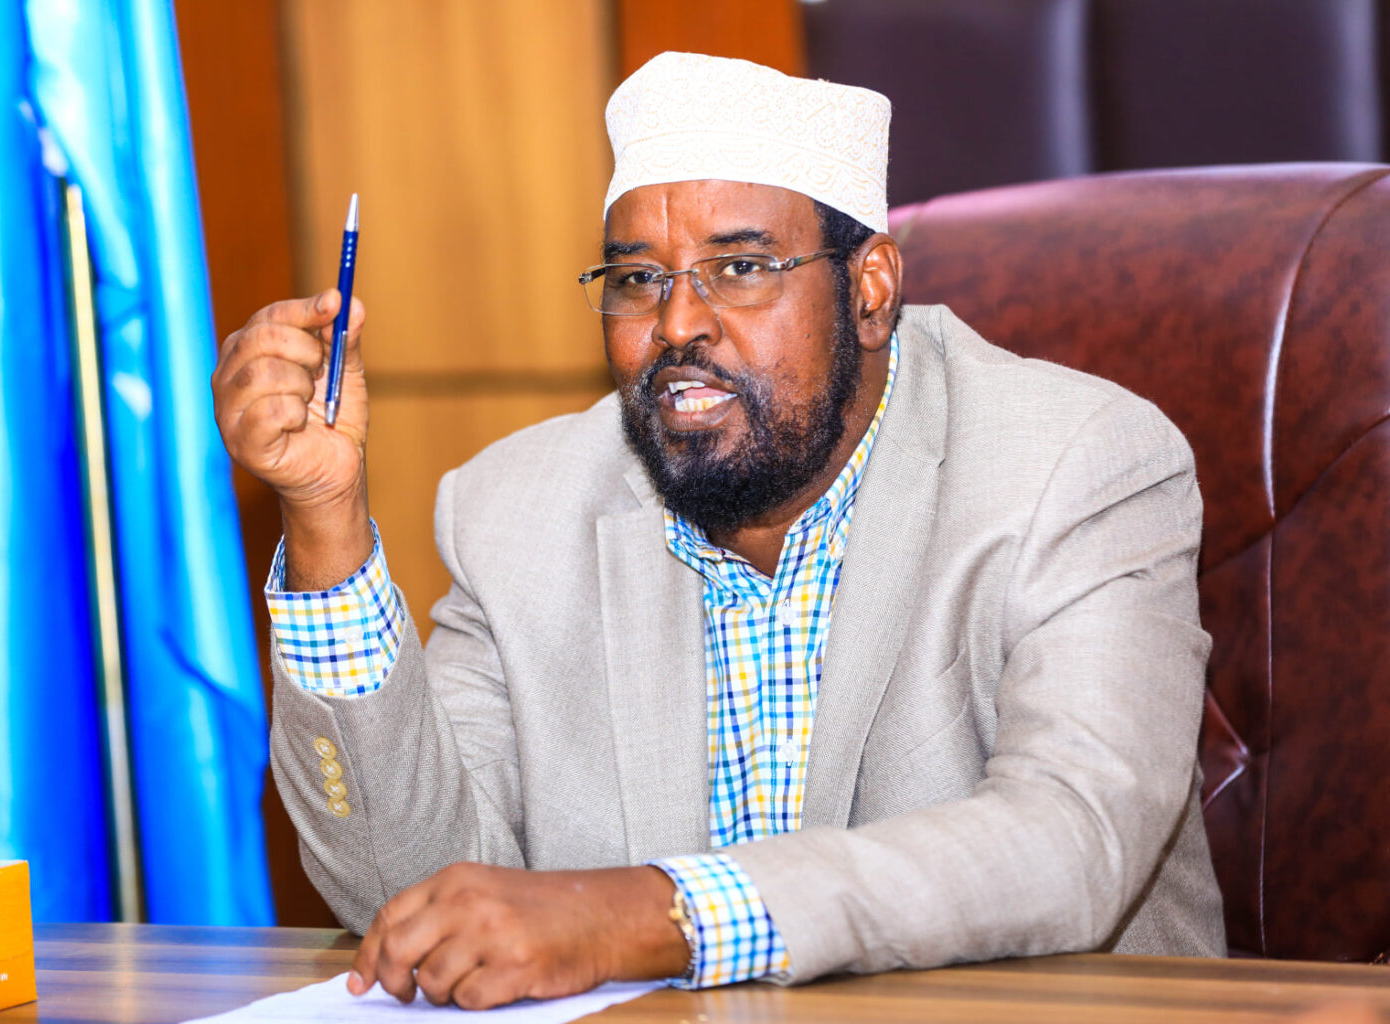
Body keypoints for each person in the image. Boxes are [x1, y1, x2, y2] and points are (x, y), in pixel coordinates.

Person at [211, 51, 1225, 1011]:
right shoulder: (513, 511)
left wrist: (649, 914)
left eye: (739, 267)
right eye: (637, 279)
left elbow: (1071, 839)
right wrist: (326, 517)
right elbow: (410, 897)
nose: (676, 323)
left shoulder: (1073, 463)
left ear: (870, 291)